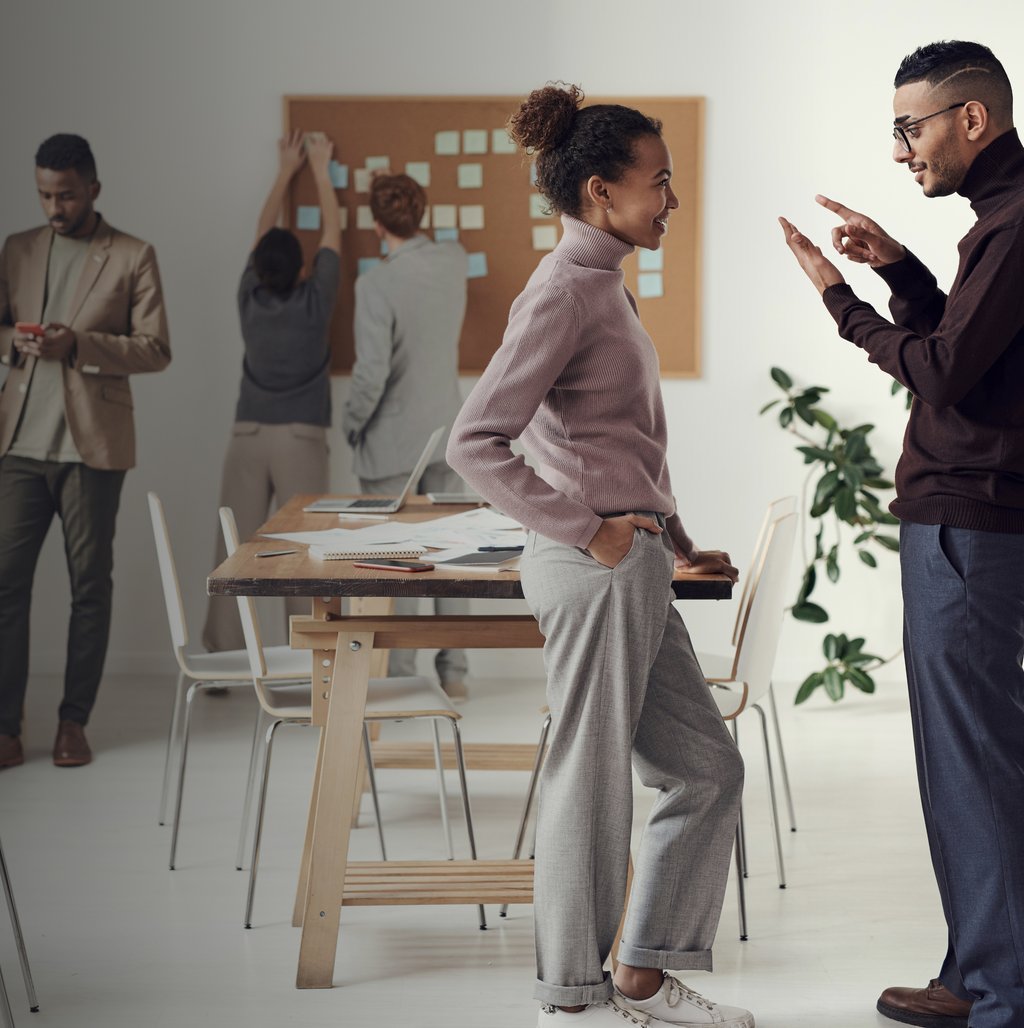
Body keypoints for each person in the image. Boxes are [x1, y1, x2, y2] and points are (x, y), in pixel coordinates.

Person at [448, 84, 751, 1028]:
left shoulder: (600, 283)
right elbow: (475, 440)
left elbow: (610, 436)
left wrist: (670, 529)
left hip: (636, 558)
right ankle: (573, 999)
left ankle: (642, 976)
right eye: (658, 183)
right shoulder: (565, 291)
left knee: (706, 771)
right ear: (597, 192)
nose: (671, 200)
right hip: (595, 567)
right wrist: (594, 529)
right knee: (591, 777)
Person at [780, 40, 1024, 1028]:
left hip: (966, 523)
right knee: (977, 756)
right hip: (969, 519)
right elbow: (976, 352)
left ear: (970, 119)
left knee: (970, 761)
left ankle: (999, 990)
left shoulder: (1012, 224)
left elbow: (940, 373)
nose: (897, 150)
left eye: (908, 127)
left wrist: (839, 301)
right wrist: (902, 267)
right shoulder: (996, 222)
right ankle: (978, 973)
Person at [0, 133, 171, 769]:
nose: (54, 206)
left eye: (66, 194)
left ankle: (74, 723)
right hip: (18, 441)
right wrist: (17, 341)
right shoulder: (18, 249)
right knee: (5, 587)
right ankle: (6, 728)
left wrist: (79, 344)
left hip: (91, 446)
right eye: (45, 194)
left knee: (88, 587)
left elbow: (155, 348)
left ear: (92, 189)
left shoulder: (131, 255)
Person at [202, 131, 341, 653]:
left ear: (258, 269)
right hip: (302, 438)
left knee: (232, 546)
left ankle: (219, 650)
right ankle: (305, 653)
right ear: (303, 269)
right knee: (304, 549)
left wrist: (285, 169)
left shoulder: (249, 297)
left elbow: (262, 233)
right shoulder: (316, 301)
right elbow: (333, 232)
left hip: (247, 433)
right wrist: (322, 170)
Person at [342, 172, 471, 700]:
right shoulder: (455, 261)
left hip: (394, 440)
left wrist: (351, 424)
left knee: (399, 558)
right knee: (453, 551)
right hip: (448, 428)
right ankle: (455, 673)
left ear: (376, 225)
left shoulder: (374, 284)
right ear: (421, 215)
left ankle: (402, 677)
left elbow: (371, 374)